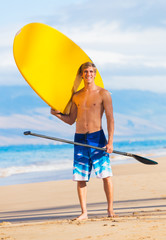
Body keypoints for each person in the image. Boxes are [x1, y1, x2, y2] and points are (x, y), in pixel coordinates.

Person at [51, 62, 115, 220]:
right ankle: (84, 212)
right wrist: (57, 114)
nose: (88, 74)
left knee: (105, 175)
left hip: (97, 137)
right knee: (80, 177)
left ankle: (110, 209)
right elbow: (71, 120)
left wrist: (110, 142)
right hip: (80, 138)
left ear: (95, 73)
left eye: (91, 71)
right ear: (81, 75)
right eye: (85, 72)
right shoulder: (76, 96)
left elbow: (110, 118)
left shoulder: (103, 94)